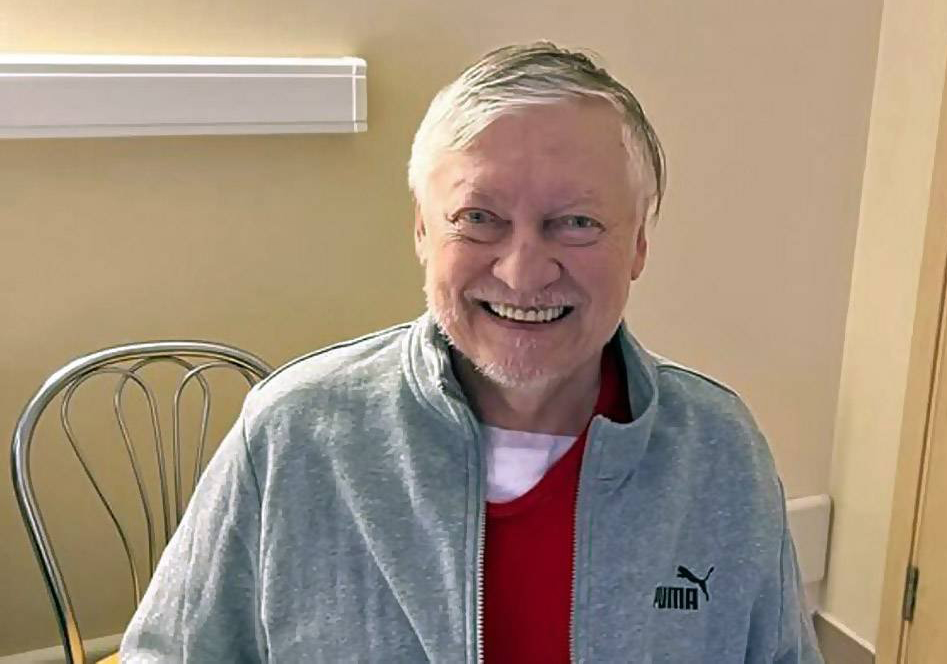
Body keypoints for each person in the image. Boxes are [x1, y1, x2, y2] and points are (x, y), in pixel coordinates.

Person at [121, 42, 823, 663]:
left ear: (638, 243)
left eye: (574, 222)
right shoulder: (294, 435)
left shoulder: (718, 452)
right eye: (479, 219)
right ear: (423, 233)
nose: (523, 272)